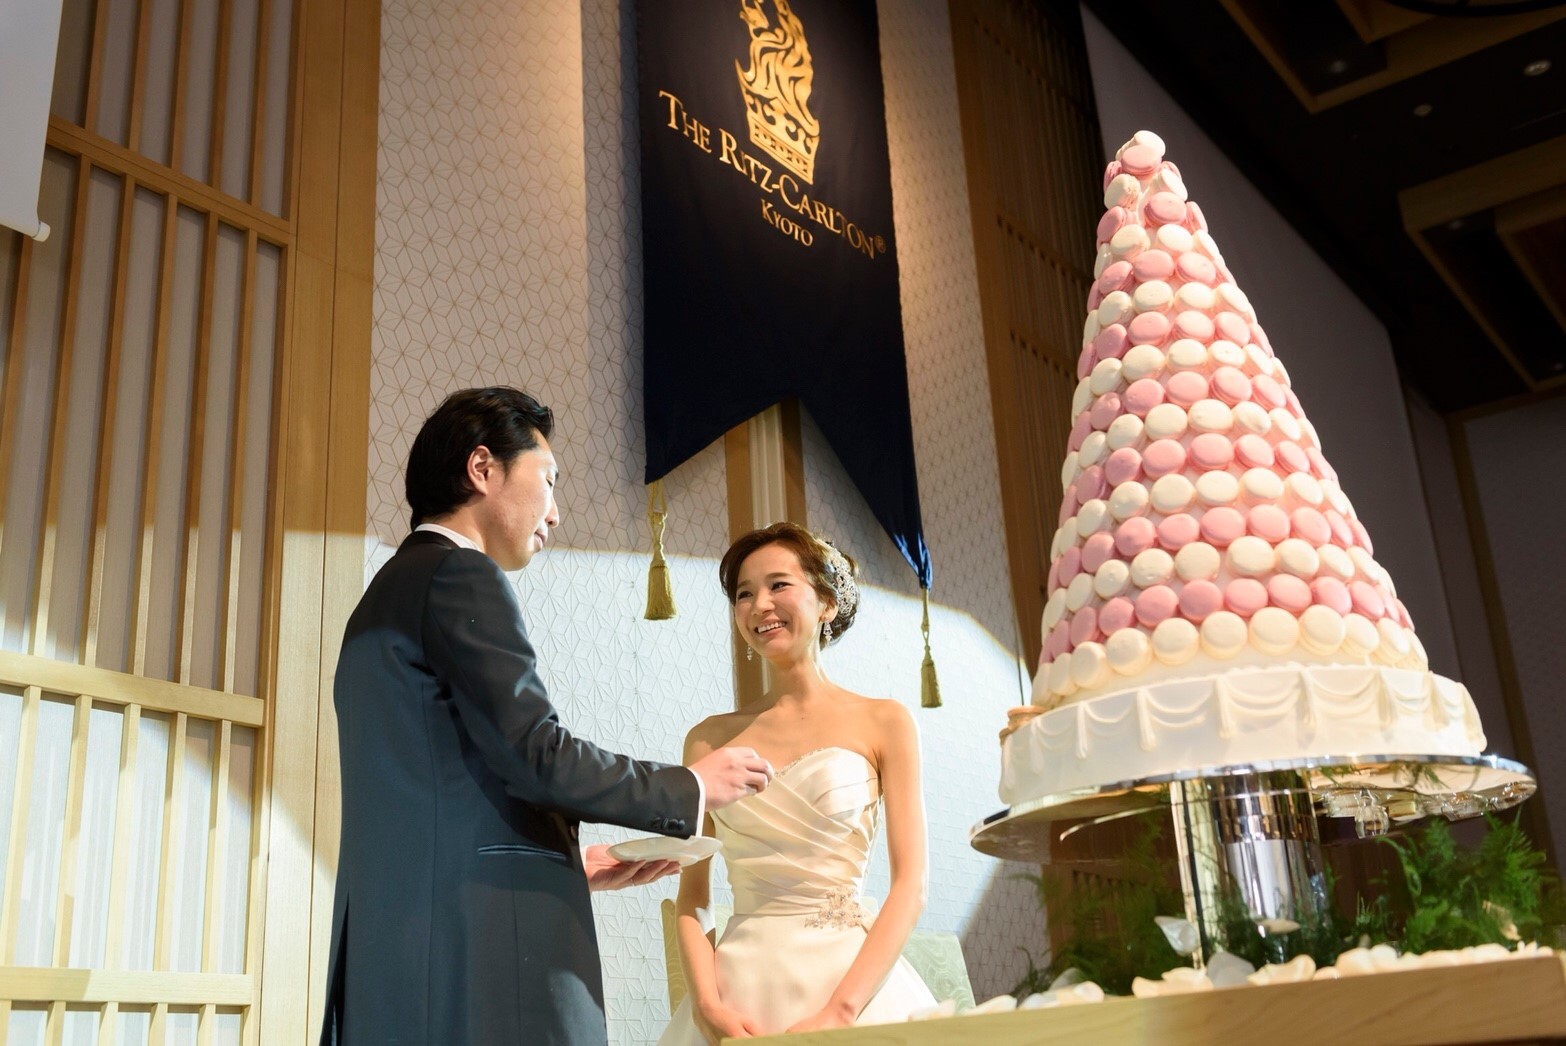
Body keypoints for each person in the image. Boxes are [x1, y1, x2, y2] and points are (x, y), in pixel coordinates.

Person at [321, 387, 774, 1046]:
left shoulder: (384, 594)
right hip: (476, 961)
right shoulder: (461, 576)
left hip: (397, 946)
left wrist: (560, 861)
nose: (555, 513)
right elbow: (537, 753)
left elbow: (436, 788)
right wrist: (691, 786)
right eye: (549, 480)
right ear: (483, 469)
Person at [660, 523, 937, 1043]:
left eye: (779, 585)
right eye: (744, 594)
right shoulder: (707, 740)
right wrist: (707, 1008)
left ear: (827, 602)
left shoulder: (886, 722)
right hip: (739, 992)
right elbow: (693, 897)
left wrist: (841, 1012)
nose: (759, 605)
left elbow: (911, 886)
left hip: (848, 985)